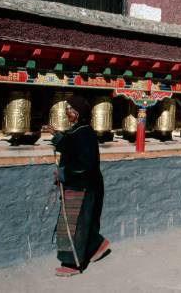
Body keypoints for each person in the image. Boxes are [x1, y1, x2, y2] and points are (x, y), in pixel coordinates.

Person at [42, 95, 110, 277]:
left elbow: (85, 164)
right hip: (78, 184)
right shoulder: (78, 130)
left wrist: (64, 173)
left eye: (70, 109)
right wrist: (57, 135)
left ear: (78, 114)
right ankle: (97, 245)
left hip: (84, 186)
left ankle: (73, 264)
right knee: (79, 221)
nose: (66, 112)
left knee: (75, 224)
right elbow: (71, 146)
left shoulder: (85, 132)